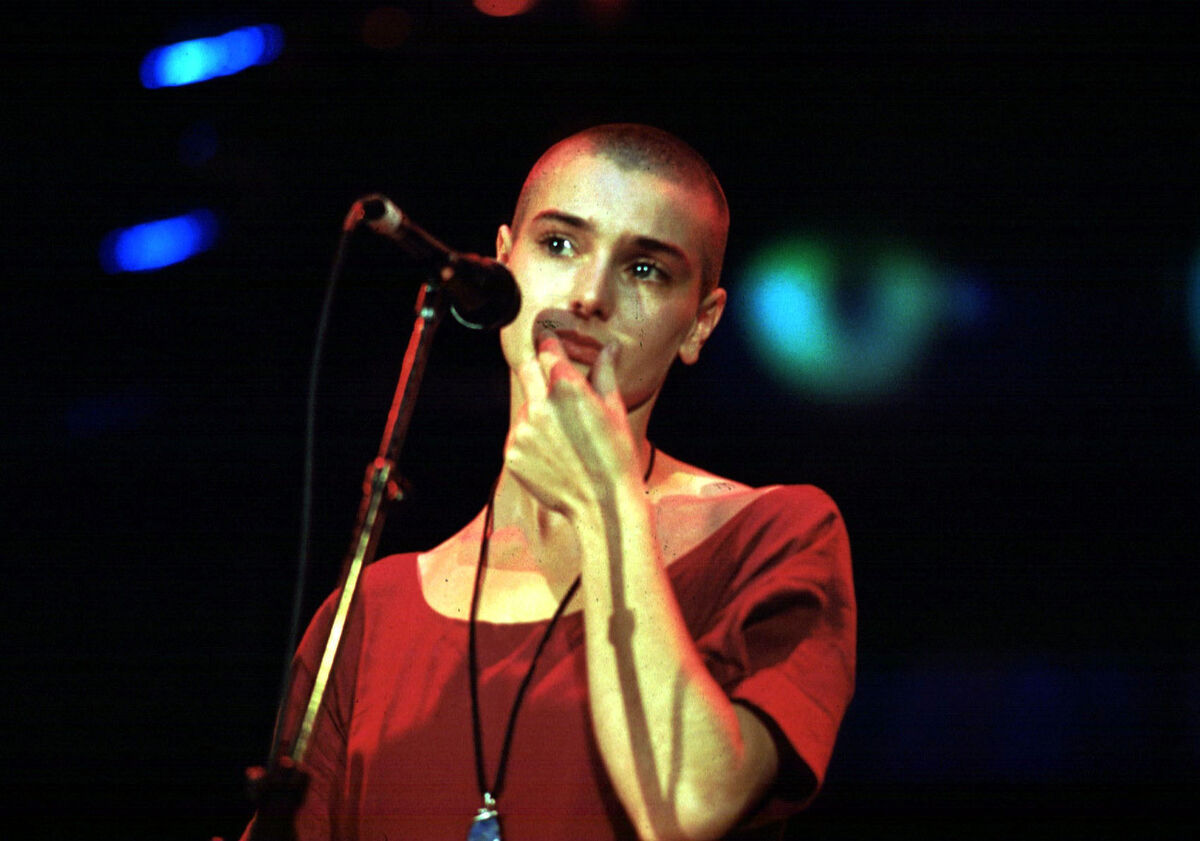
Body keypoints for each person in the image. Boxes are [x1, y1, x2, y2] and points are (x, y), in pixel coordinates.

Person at [250, 123, 856, 841]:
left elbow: (687, 805)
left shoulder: (774, 537)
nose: (589, 294)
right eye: (560, 245)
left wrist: (605, 503)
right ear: (504, 265)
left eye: (644, 269)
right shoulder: (368, 612)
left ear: (700, 324)